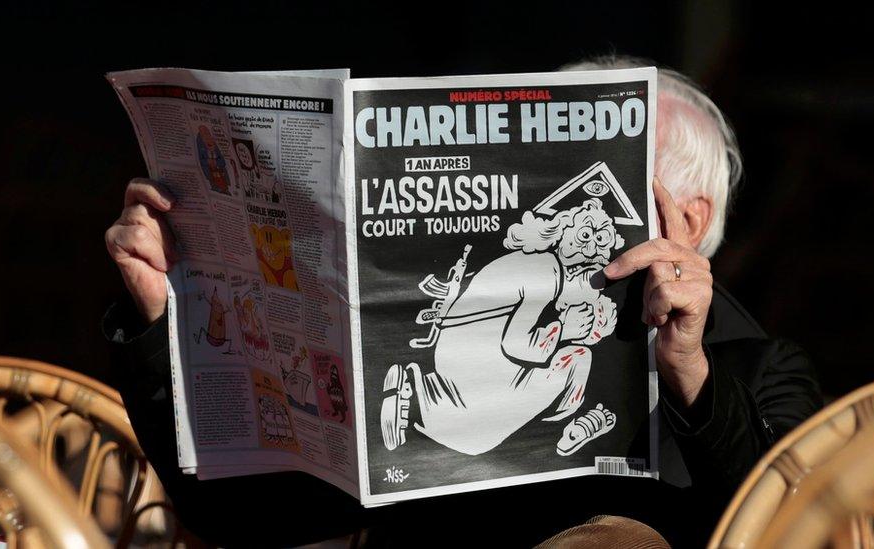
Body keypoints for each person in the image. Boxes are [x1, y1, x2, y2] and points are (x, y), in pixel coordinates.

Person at [102, 56, 821, 547]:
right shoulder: (473, 307)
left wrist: (688, 368)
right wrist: (162, 317)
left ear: (689, 222)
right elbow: (238, 515)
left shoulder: (759, 366)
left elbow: (791, 527)